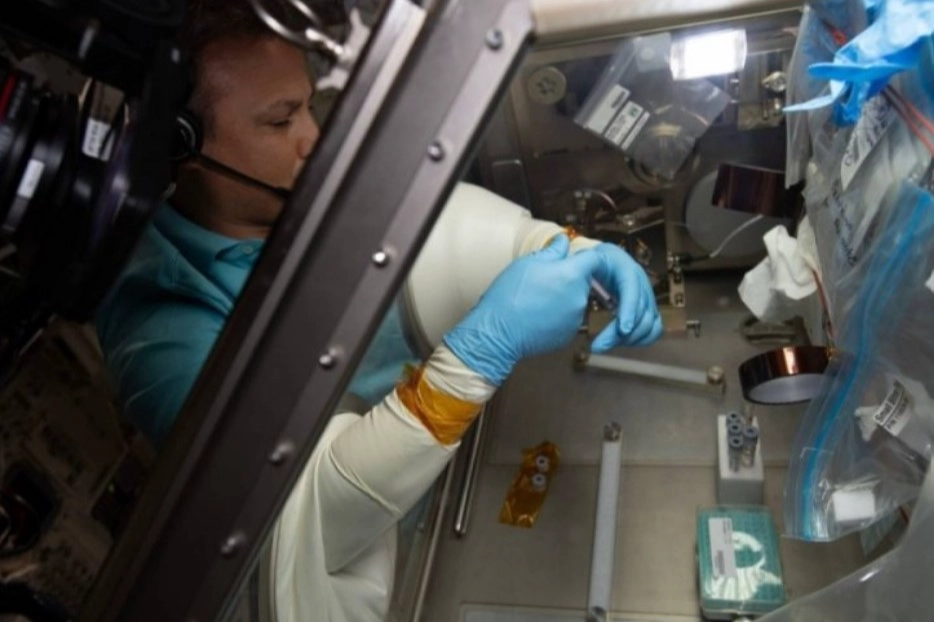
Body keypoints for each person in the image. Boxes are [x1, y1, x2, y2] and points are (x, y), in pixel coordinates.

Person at [94, 1, 662, 620]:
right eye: (280, 120)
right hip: (381, 563)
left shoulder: (298, 190)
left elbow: (436, 232)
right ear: (180, 144)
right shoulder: (160, 325)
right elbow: (309, 512)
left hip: (442, 478)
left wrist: (563, 250)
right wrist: (478, 355)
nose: (312, 138)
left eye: (307, 107)